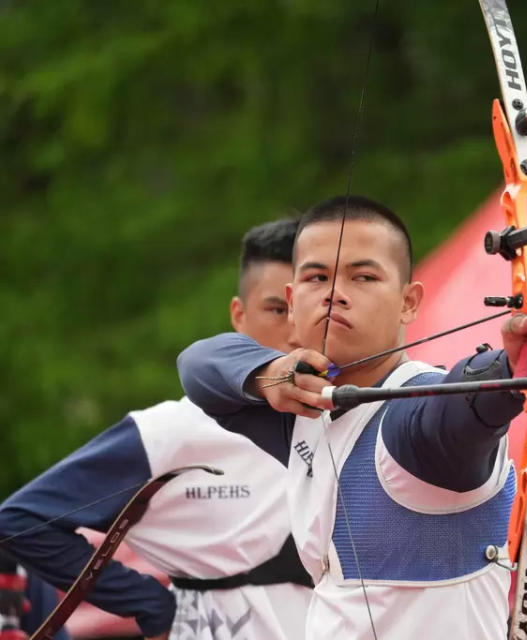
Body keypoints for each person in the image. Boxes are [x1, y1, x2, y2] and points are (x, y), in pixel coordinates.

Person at [177, 196, 527, 639]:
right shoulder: (303, 408)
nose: (334, 292)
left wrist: (511, 367)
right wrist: (268, 374)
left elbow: (456, 407)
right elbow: (198, 365)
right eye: (316, 277)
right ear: (291, 303)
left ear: (408, 302)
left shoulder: (414, 425)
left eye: (363, 276)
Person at [0, 219, 314, 640]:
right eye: (278, 309)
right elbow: (24, 520)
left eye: (308, 310)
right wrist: (152, 605)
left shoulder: (345, 419)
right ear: (239, 315)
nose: (295, 331)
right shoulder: (175, 430)